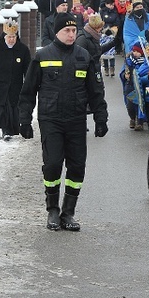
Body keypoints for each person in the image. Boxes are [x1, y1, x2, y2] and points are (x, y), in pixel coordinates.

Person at [18, 13, 108, 232]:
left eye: (73, 30)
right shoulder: (43, 56)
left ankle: (68, 212)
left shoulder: (84, 56)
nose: (71, 34)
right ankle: (52, 210)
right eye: (66, 31)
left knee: (77, 167)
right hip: (51, 119)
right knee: (52, 165)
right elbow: (28, 91)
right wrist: (24, 119)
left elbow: (95, 91)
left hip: (76, 120)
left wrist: (100, 117)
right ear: (57, 32)